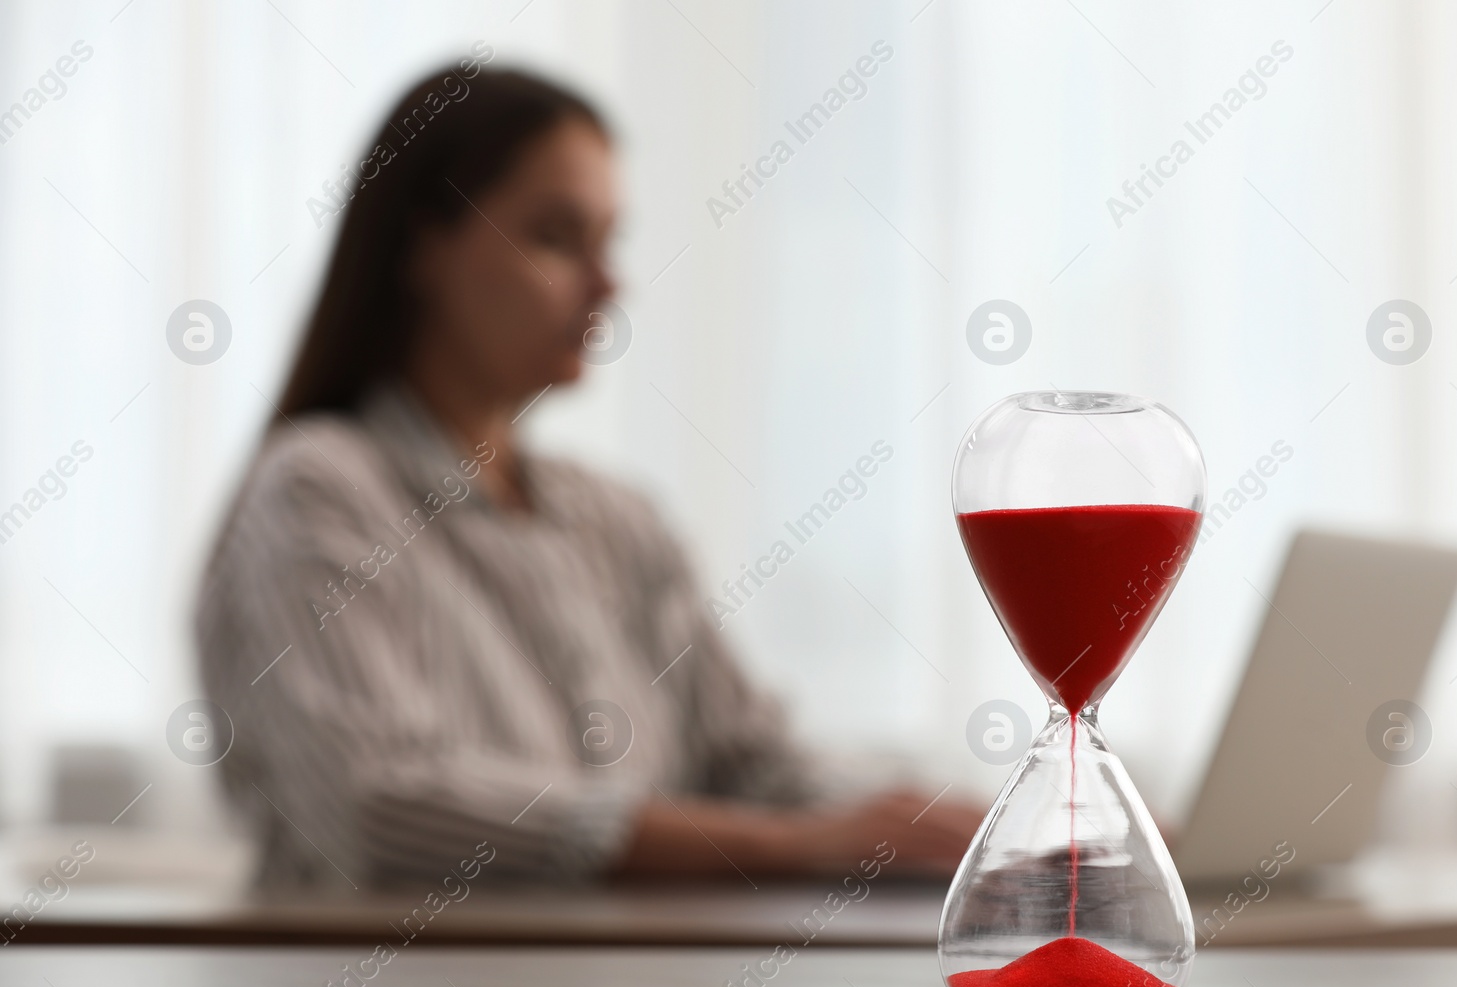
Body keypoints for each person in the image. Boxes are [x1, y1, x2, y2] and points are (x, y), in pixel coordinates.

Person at [196, 64, 986, 888]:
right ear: (422, 248)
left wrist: (982, 831)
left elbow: (751, 763)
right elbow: (380, 808)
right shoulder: (317, 489)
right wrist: (780, 848)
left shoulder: (615, 517)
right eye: (554, 237)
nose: (610, 285)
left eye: (609, 242)